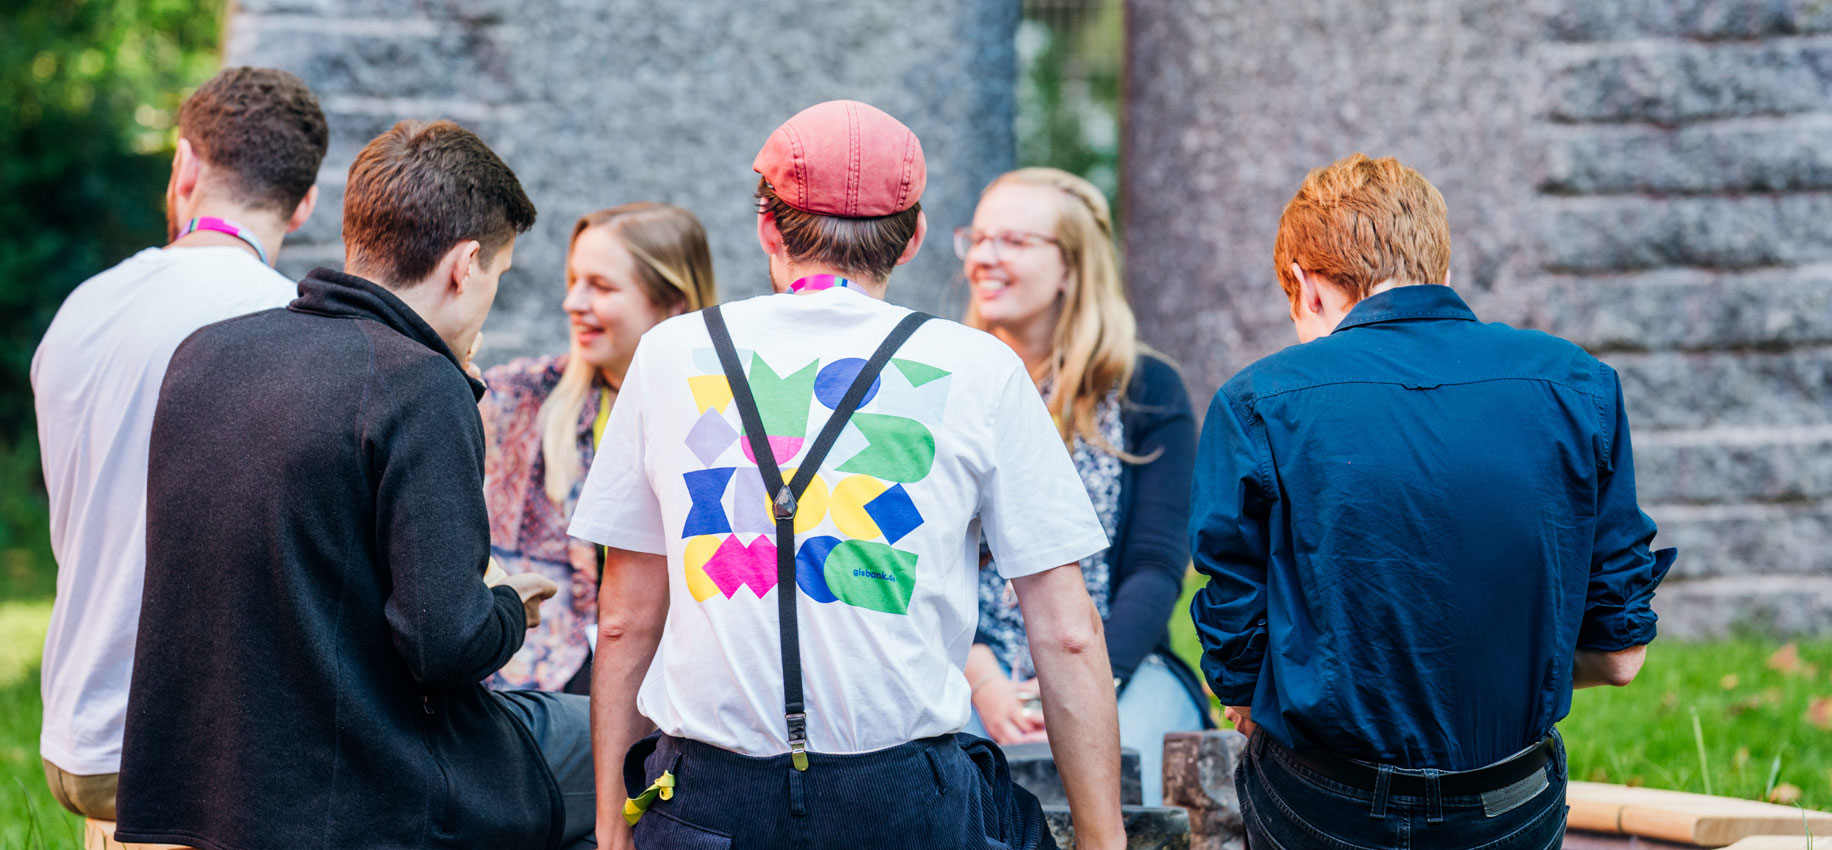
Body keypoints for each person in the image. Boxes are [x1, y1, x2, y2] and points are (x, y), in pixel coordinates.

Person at [570, 100, 1127, 850]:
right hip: (903, 802)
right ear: (915, 238)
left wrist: (611, 828)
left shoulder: (672, 355)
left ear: (769, 227)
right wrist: (1104, 840)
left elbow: (623, 617)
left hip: (708, 801)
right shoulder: (978, 368)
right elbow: (1066, 635)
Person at [116, 119, 596, 850]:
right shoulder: (419, 383)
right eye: (498, 275)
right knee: (622, 738)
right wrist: (506, 604)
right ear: (465, 264)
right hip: (365, 785)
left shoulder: (206, 353)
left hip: (203, 780)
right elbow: (445, 644)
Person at [1189, 153, 1677, 850]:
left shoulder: (1257, 401)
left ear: (1303, 284)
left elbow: (1236, 669)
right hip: (1509, 803)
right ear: (1440, 271)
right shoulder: (1580, 385)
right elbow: (1621, 654)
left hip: (1327, 806)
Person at [30, 66, 327, 823]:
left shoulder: (83, 307)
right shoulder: (293, 326)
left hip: (79, 732)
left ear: (185, 165)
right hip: (202, 749)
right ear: (306, 203)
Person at [957, 167, 1205, 805]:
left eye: (1012, 240)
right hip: (961, 665)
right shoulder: (943, 385)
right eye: (977, 238)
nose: (985, 257)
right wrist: (980, 675)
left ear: (1071, 267)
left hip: (1117, 664)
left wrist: (1087, 684)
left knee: (1136, 780)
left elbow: (1154, 567)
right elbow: (912, 559)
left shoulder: (1147, 391)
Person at [482, 202, 717, 693]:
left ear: (673, 303)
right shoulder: (512, 398)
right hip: (544, 683)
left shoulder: (728, 416)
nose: (572, 302)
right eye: (574, 280)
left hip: (680, 681)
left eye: (602, 287)